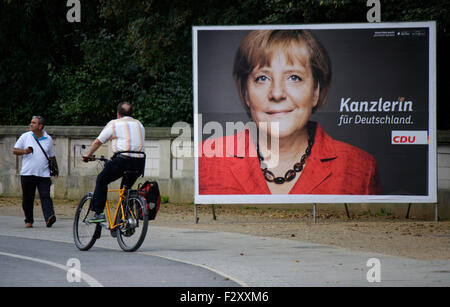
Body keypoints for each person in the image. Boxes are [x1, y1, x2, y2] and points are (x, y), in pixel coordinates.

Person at [199, 30, 382, 195]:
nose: (277, 93)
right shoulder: (206, 160)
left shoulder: (361, 169)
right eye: (262, 78)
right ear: (246, 93)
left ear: (315, 91)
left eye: (294, 77)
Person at [83, 102, 145, 223]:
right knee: (126, 190)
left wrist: (88, 155)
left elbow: (98, 142)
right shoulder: (139, 124)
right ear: (131, 114)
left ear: (118, 114)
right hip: (140, 162)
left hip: (122, 160)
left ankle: (98, 213)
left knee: (102, 180)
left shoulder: (115, 123)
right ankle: (125, 219)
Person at [13, 115, 58, 228]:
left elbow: (52, 156)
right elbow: (15, 150)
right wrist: (24, 151)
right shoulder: (25, 136)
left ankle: (49, 217)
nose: (31, 124)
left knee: (45, 196)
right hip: (27, 173)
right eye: (31, 122)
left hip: (43, 174)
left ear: (40, 126)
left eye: (34, 123)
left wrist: (56, 169)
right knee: (28, 198)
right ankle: (28, 220)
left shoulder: (48, 139)